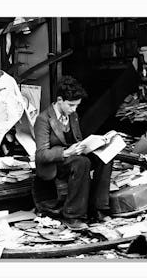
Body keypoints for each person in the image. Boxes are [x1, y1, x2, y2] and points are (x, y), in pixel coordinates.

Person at [33, 76, 113, 231]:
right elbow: (41, 154)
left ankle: (98, 208)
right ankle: (72, 215)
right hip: (56, 162)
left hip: (73, 155)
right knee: (82, 162)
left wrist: (95, 145)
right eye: (71, 105)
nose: (74, 109)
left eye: (77, 106)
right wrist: (65, 152)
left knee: (105, 157)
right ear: (59, 100)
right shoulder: (43, 119)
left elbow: (78, 140)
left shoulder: (73, 115)